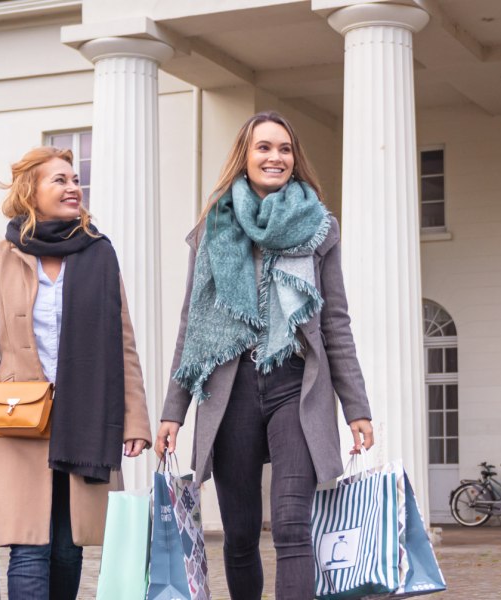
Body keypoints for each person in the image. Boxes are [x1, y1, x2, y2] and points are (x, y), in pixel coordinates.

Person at [155, 111, 375, 600]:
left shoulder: (318, 228)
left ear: (294, 161)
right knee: (238, 535)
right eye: (264, 148)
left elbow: (335, 322)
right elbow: (193, 326)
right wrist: (174, 411)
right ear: (245, 157)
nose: (275, 157)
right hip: (230, 393)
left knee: (293, 527)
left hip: (295, 387)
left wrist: (356, 408)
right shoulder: (213, 228)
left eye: (284, 149)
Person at [0, 146, 152, 600]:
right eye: (59, 179)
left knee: (67, 547)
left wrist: (135, 421)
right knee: (27, 547)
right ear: (29, 192)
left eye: (75, 179)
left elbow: (123, 346)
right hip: (20, 422)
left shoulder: (99, 255)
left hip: (87, 419)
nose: (73, 187)